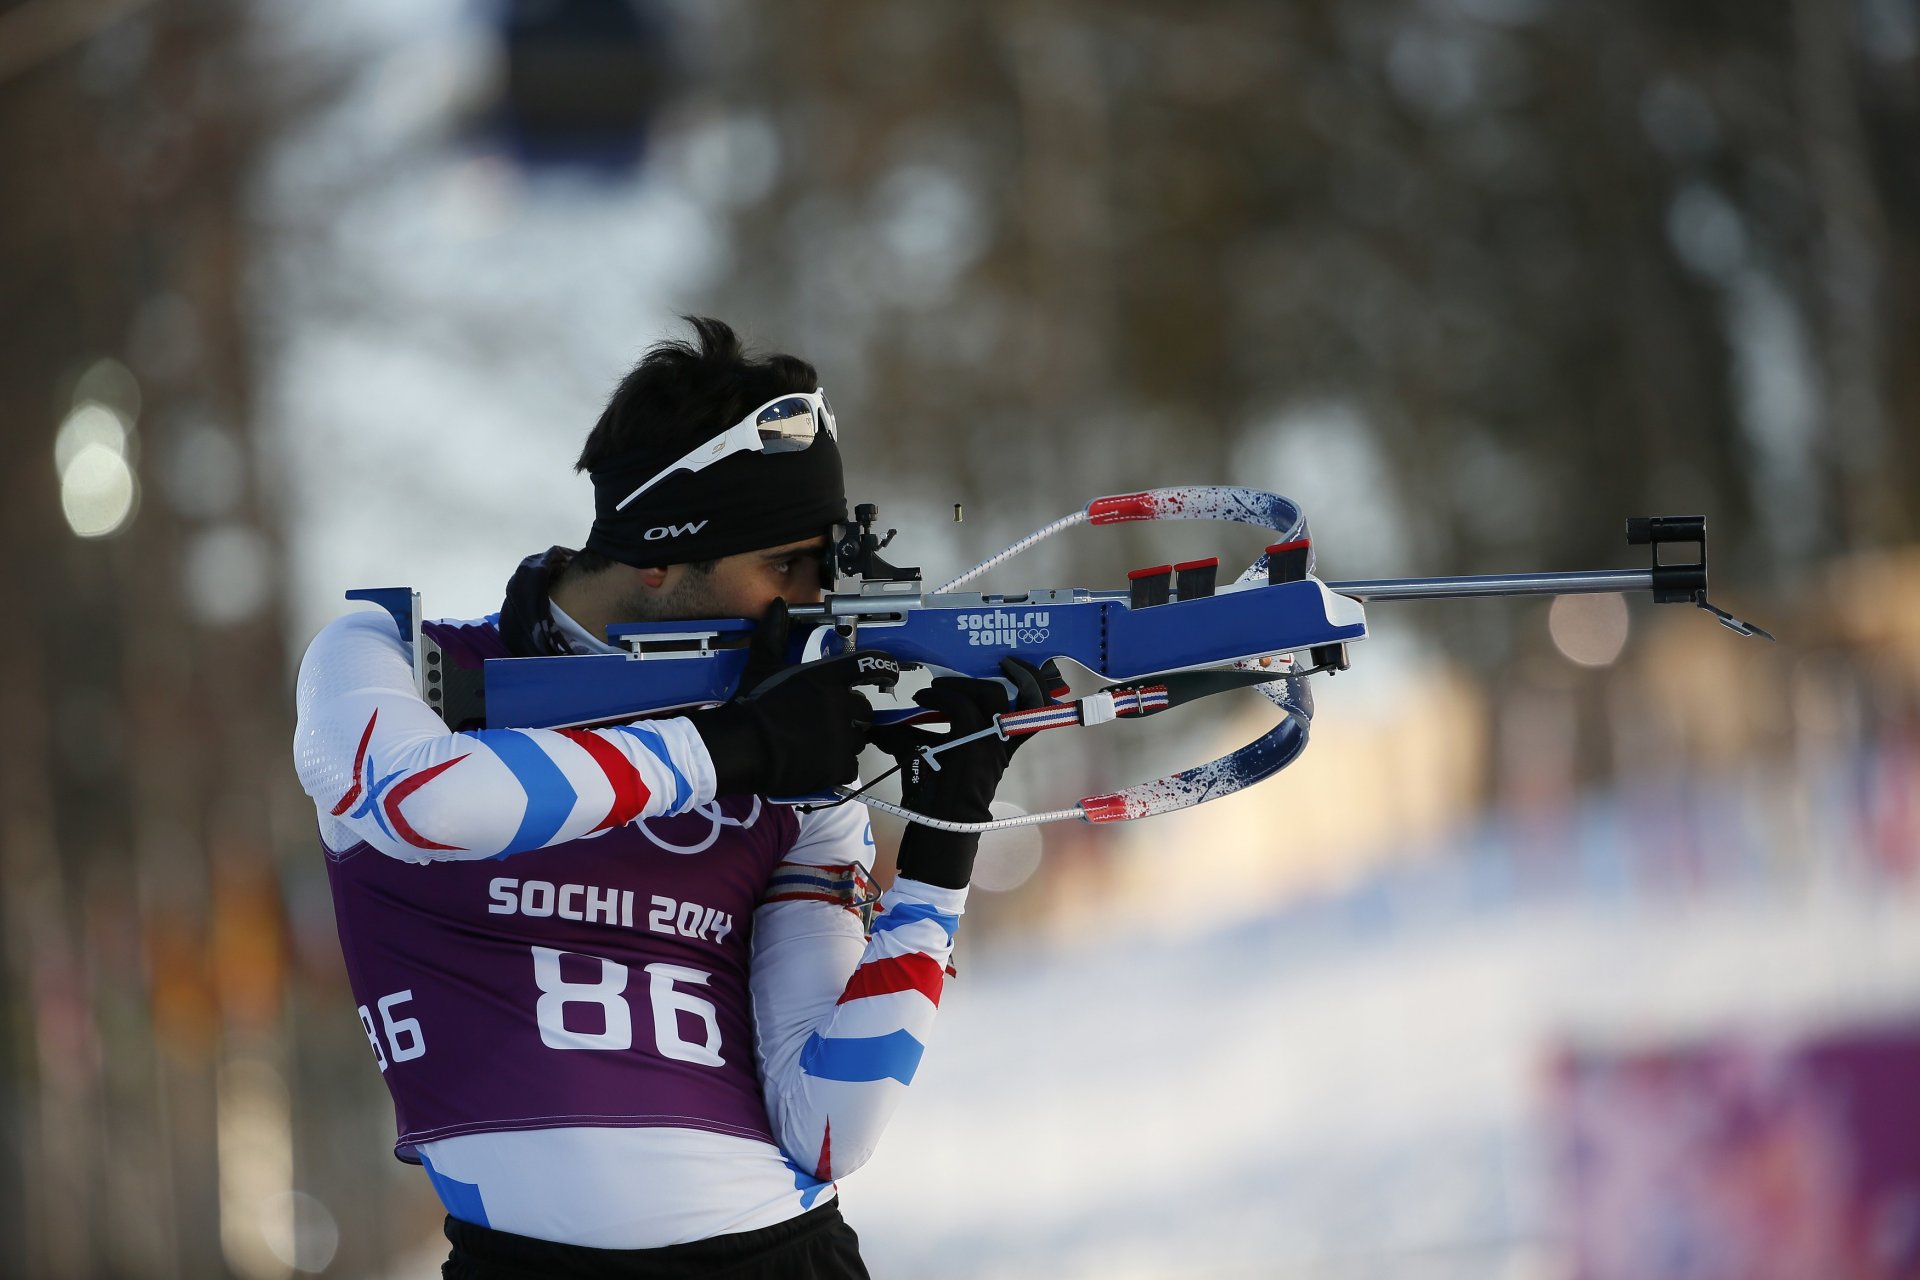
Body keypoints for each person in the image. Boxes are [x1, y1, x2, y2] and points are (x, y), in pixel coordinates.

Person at [291, 318, 1043, 1278]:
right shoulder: (395, 658)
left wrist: (942, 858)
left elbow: (830, 1130)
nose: (807, 606)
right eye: (783, 566)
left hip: (787, 1258)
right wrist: (736, 748)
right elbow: (423, 805)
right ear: (659, 553)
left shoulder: (795, 763)